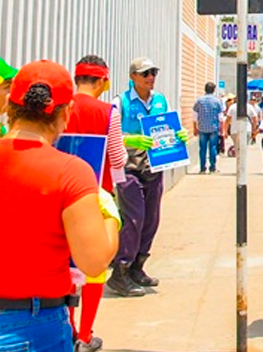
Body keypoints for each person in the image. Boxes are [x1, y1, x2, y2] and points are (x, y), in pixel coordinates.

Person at [0, 59, 121, 352]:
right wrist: (110, 216)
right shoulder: (71, 172)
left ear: (9, 106)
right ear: (67, 112)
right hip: (34, 324)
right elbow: (94, 261)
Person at [65, 55, 129, 352]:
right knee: (94, 267)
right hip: (94, 195)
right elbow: (117, 158)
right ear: (104, 81)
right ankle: (85, 335)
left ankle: (67, 328)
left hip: (58, 194)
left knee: (62, 265)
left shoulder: (59, 106)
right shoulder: (108, 111)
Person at [108, 57, 186, 297]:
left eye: (153, 72)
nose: (150, 77)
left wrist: (178, 135)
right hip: (129, 166)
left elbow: (170, 127)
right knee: (134, 218)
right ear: (133, 77)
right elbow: (108, 133)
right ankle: (120, 271)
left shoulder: (160, 100)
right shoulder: (120, 102)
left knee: (151, 218)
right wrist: (129, 139)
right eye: (145, 74)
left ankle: (137, 267)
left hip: (154, 167)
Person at [193, 82, 224, 173]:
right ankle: (212, 167)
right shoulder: (217, 101)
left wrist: (195, 128)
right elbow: (221, 117)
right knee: (213, 147)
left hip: (202, 127)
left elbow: (195, 116)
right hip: (213, 128)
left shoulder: (199, 101)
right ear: (214, 90)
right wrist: (222, 129)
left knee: (202, 148)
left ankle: (202, 167)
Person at [224, 93, 258, 159]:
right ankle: (242, 163)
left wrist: (225, 131)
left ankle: (240, 162)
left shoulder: (232, 107)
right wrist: (254, 130)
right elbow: (255, 119)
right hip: (247, 130)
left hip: (234, 131)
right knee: (244, 148)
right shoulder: (249, 107)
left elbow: (227, 120)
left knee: (237, 149)